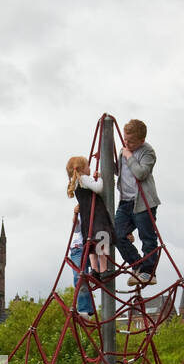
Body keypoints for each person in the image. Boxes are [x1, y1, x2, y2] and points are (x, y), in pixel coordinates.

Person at [115, 118, 160, 287]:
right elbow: (120, 170)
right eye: (125, 139)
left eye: (131, 141)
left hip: (143, 201)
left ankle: (149, 272)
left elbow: (141, 173)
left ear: (142, 140)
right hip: (126, 202)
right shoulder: (125, 149)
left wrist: (128, 155)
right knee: (117, 234)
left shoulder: (148, 153)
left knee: (147, 237)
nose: (126, 143)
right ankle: (137, 265)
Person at [66, 155, 117, 280]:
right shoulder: (84, 178)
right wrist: (99, 178)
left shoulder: (76, 182)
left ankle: (94, 269)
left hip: (86, 216)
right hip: (97, 214)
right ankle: (104, 269)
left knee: (91, 243)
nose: (89, 168)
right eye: (88, 166)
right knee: (102, 238)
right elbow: (99, 188)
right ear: (82, 169)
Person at [66, 210, 95, 321]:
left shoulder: (99, 213)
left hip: (93, 246)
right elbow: (76, 225)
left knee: (92, 275)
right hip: (78, 248)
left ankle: (88, 307)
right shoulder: (84, 212)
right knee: (80, 277)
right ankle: (85, 309)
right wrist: (75, 213)